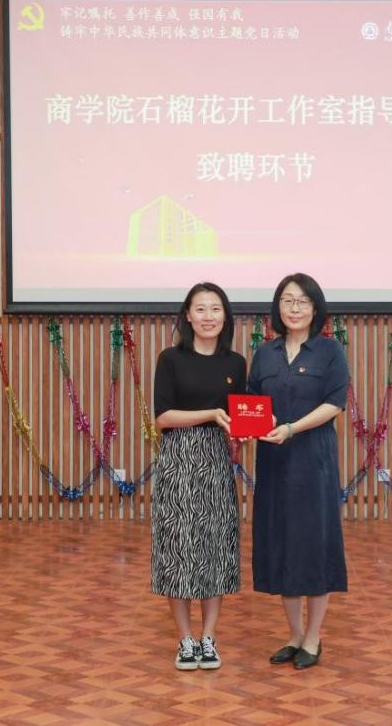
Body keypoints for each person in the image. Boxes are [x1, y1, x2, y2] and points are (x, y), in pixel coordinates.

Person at [248, 273, 349, 671]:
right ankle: (293, 636)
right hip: (274, 464)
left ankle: (313, 637)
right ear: (278, 307)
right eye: (287, 300)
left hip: (313, 461)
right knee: (282, 543)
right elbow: (252, 401)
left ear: (315, 308)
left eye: (303, 301)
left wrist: (291, 427)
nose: (294, 308)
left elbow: (334, 404)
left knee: (313, 545)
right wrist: (255, 423)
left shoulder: (329, 351)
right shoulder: (265, 353)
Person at [151, 282, 247, 672]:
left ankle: (208, 638)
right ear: (188, 316)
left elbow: (240, 416)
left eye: (215, 308)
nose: (208, 316)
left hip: (217, 462)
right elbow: (163, 418)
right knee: (177, 550)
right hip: (178, 459)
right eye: (201, 309)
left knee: (214, 549)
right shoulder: (170, 359)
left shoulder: (236, 363)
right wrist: (210, 415)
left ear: (226, 316)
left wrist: (242, 434)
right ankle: (185, 640)